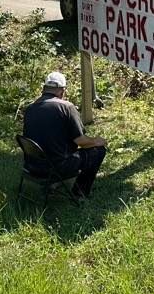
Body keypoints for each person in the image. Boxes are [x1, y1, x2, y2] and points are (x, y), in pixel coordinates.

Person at [21, 71, 107, 199]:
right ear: (62, 91)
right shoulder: (66, 107)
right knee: (98, 151)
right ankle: (79, 193)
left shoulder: (30, 109)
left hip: (32, 167)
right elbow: (81, 141)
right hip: (55, 168)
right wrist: (97, 141)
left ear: (44, 89)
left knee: (56, 149)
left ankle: (52, 185)